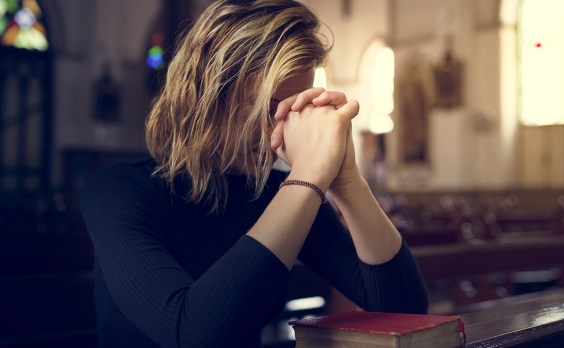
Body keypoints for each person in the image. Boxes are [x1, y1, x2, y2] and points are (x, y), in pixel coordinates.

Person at [80, 0, 428, 347]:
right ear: (210, 95)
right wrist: (307, 175)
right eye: (267, 107)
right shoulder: (119, 191)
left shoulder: (280, 193)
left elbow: (406, 310)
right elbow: (194, 334)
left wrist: (348, 181)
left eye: (293, 110)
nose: (281, 132)